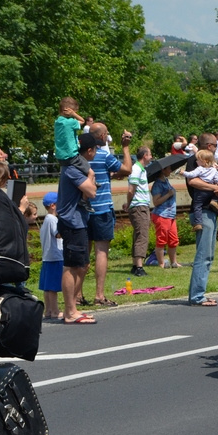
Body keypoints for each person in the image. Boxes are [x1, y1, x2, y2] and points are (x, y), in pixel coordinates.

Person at [77, 122, 133, 308]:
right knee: (101, 252)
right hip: (101, 209)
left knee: (84, 253)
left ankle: (77, 295)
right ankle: (99, 295)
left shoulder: (79, 157)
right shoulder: (103, 155)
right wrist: (125, 147)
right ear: (101, 137)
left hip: (83, 210)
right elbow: (126, 169)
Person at [57, 133, 98, 324]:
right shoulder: (73, 169)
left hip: (79, 220)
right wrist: (90, 175)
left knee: (83, 265)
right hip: (72, 222)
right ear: (89, 150)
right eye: (95, 149)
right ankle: (69, 311)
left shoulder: (75, 169)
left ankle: (72, 307)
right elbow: (91, 191)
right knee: (72, 266)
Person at [187, 133, 218, 307]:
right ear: (210, 146)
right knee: (203, 255)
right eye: (216, 145)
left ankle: (200, 293)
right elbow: (193, 182)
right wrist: (215, 187)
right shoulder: (195, 160)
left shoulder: (210, 163)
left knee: (209, 256)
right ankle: (196, 296)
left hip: (211, 212)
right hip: (201, 212)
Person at [149, 161, 183, 270]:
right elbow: (156, 202)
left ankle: (174, 262)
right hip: (161, 215)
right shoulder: (158, 184)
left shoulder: (166, 181)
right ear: (163, 170)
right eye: (169, 168)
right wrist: (168, 194)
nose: (170, 170)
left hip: (170, 215)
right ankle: (161, 263)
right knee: (162, 239)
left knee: (173, 240)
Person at [125, 146, 152, 277]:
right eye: (150, 154)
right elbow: (131, 189)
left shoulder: (141, 169)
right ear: (145, 156)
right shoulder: (136, 169)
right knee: (142, 235)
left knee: (138, 234)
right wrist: (129, 203)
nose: (151, 157)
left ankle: (136, 264)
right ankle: (139, 267)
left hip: (141, 205)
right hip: (139, 206)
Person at [181, 149, 218, 232]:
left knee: (197, 206)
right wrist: (217, 184)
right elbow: (217, 179)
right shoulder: (213, 170)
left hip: (200, 191)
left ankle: (198, 223)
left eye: (198, 160)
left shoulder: (200, 169)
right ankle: (214, 201)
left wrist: (183, 173)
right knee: (217, 192)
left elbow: (191, 174)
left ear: (204, 161)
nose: (196, 161)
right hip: (211, 192)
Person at [38, 191, 63, 320]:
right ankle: (55, 311)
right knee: (53, 287)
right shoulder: (53, 220)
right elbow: (58, 234)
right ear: (53, 205)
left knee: (47, 287)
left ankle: (48, 310)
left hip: (47, 257)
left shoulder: (46, 220)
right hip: (55, 256)